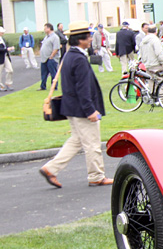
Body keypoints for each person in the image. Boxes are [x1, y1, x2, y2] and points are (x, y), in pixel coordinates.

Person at [39, 22, 111, 188]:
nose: (91, 39)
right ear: (81, 40)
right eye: (88, 37)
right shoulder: (78, 59)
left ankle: (51, 169)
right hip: (82, 109)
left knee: (76, 140)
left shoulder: (69, 56)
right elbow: (82, 88)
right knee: (92, 143)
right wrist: (90, 110)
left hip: (71, 107)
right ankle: (96, 176)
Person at [38, 24, 61, 90]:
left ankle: (54, 87)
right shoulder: (46, 37)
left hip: (51, 58)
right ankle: (43, 86)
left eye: (45, 28)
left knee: (53, 73)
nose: (44, 30)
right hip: (44, 58)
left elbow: (56, 48)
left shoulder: (55, 37)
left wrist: (51, 56)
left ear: (49, 28)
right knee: (43, 74)